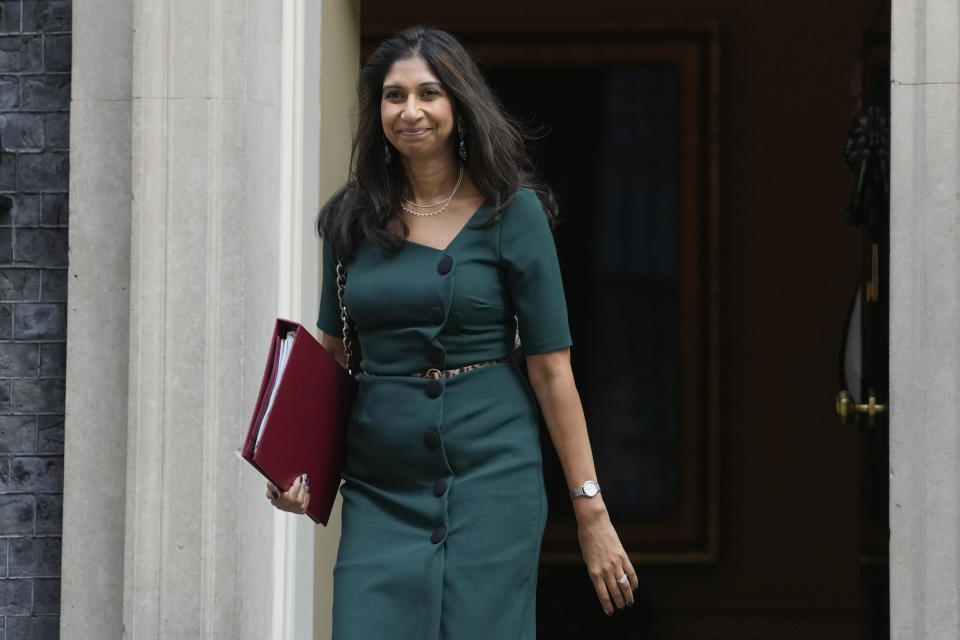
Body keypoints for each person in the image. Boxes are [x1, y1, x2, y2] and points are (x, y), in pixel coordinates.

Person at [266, 25, 636, 639]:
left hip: (493, 476)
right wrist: (295, 469)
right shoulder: (349, 219)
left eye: (428, 93)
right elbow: (330, 356)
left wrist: (590, 509)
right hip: (381, 482)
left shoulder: (512, 212)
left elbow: (550, 369)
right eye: (393, 96)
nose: (410, 110)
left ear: (459, 107)